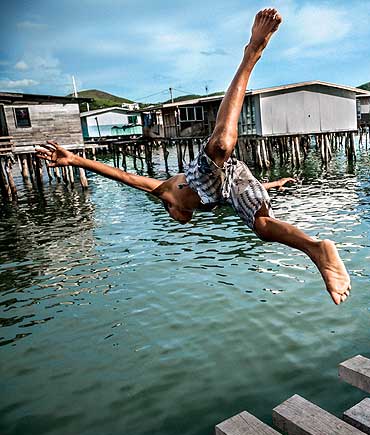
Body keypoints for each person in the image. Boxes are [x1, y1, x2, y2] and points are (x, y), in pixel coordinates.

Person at [33, 8, 351, 305]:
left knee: (221, 145)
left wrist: (75, 160)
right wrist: (275, 184)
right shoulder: (204, 206)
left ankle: (252, 52)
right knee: (264, 227)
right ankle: (317, 250)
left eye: (175, 218)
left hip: (208, 172)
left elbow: (122, 175)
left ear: (169, 205)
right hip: (234, 184)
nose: (182, 220)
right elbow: (239, 188)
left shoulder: (166, 190)